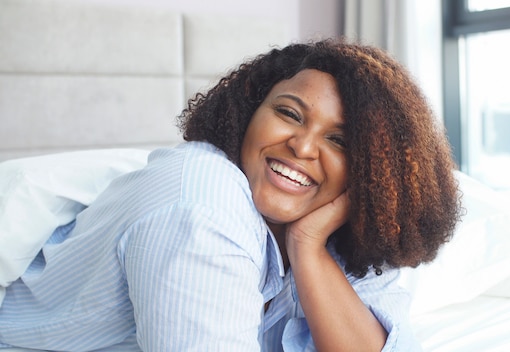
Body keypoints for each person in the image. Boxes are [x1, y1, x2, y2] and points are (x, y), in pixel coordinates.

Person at [0, 39, 461, 351]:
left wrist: (308, 246)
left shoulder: (335, 234)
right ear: (247, 114)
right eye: (289, 113)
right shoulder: (202, 198)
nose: (302, 147)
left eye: (339, 141)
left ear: (370, 173)